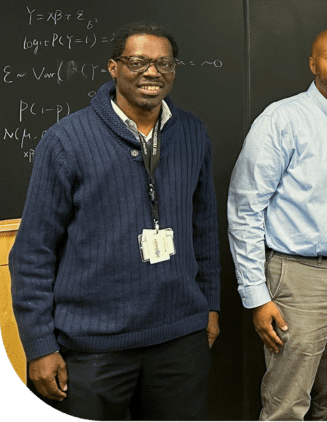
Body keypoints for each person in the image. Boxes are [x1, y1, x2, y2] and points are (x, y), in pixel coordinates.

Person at [10, 22, 220, 420]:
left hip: (179, 340)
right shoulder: (66, 141)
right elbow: (33, 252)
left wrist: (208, 307)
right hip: (93, 348)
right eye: (138, 61)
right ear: (113, 67)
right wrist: (39, 345)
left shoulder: (192, 133)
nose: (152, 72)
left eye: (164, 63)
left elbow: (204, 230)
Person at [227, 27, 327, 421]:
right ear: (313, 64)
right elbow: (245, 209)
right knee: (287, 403)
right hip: (298, 280)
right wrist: (257, 295)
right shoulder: (282, 119)